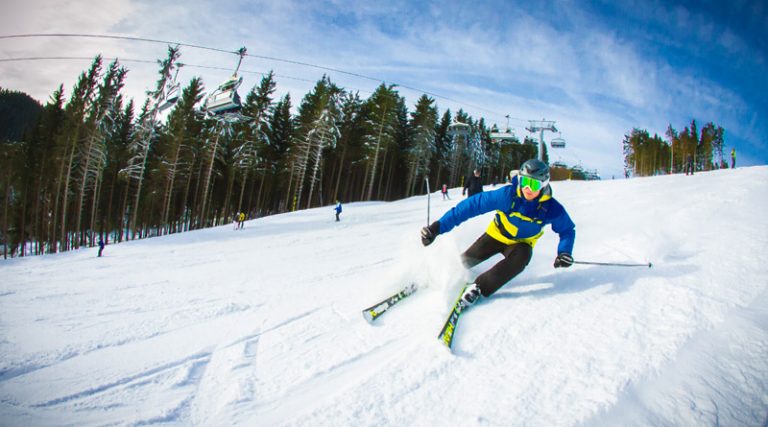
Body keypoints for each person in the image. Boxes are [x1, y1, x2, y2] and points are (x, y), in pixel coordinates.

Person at [421, 159, 575, 308]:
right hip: (495, 236)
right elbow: (471, 206)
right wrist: (437, 227)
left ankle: (479, 287)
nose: (527, 189)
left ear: (543, 185)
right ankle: (438, 274)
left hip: (521, 244)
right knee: (466, 261)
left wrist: (564, 252)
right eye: (524, 182)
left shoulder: (551, 208)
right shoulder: (508, 196)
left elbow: (567, 230)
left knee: (521, 258)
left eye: (533, 184)